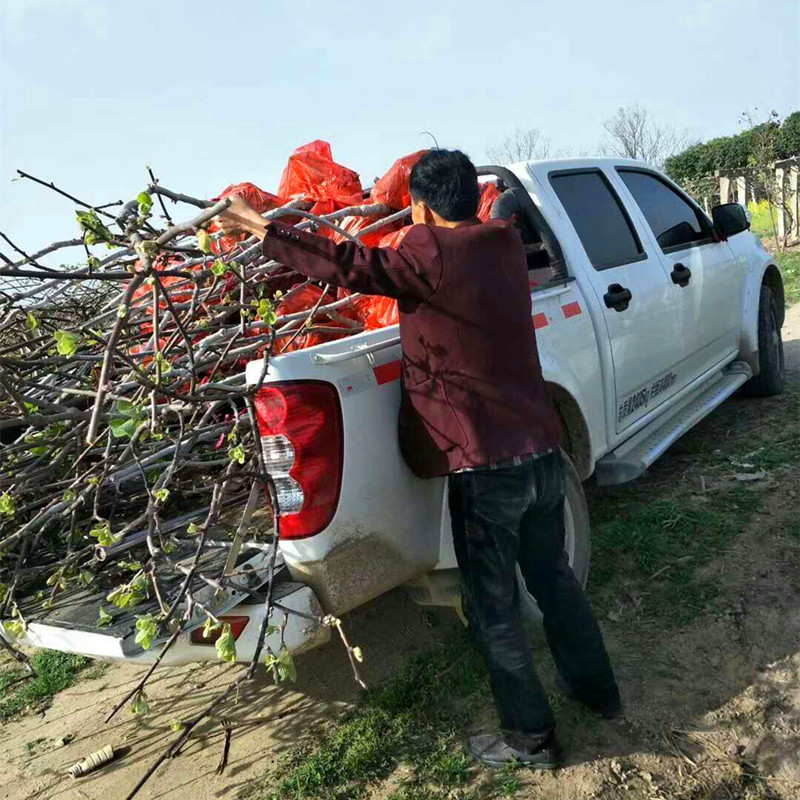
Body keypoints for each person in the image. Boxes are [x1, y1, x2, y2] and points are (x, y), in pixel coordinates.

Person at [216, 149, 620, 770]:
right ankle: (599, 694)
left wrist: (262, 228)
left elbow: (350, 264)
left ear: (424, 207)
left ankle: (531, 740)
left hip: (486, 471)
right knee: (555, 581)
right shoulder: (505, 246)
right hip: (540, 451)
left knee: (495, 612)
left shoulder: (429, 253)